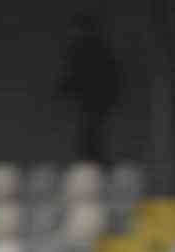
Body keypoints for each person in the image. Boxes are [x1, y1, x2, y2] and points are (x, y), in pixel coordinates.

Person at [56, 14, 122, 165]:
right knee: (90, 136)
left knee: (89, 137)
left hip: (93, 100)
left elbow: (79, 74)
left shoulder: (85, 48)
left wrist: (65, 88)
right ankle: (94, 163)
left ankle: (94, 164)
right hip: (95, 100)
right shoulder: (95, 47)